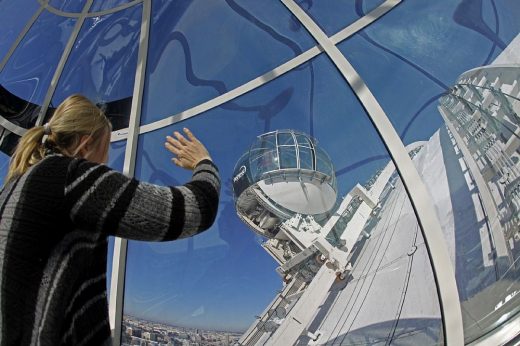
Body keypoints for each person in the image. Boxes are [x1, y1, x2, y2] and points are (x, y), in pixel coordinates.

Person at [0, 94, 220, 346]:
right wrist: (204, 162)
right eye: (103, 153)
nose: (104, 164)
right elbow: (194, 211)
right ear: (85, 145)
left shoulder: (14, 186)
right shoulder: (71, 178)